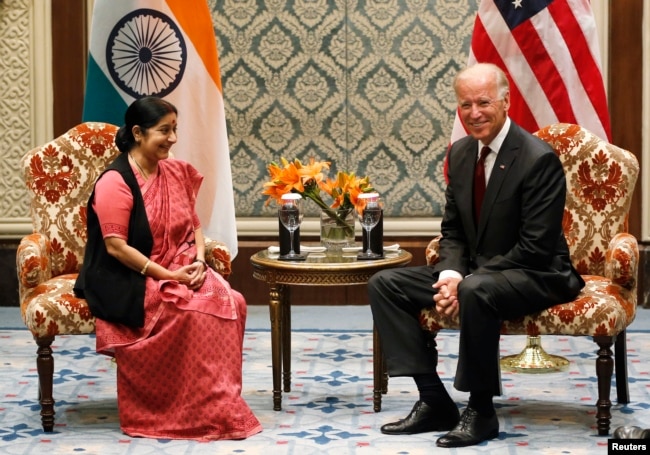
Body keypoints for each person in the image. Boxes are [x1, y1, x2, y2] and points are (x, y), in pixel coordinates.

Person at [368, 63, 584, 448]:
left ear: (505, 101)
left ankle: (481, 411)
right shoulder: (461, 154)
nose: (474, 113)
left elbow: (535, 247)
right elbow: (453, 231)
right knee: (386, 283)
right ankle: (434, 400)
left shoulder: (537, 159)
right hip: (478, 276)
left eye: (483, 102)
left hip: (538, 272)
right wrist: (450, 274)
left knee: (477, 290)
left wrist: (464, 283)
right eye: (465, 104)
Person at [74, 96, 262, 441]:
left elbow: (194, 225)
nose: (173, 138)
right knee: (195, 311)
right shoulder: (115, 182)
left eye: (175, 129)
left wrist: (200, 261)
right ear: (138, 133)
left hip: (181, 263)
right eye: (164, 130)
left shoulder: (173, 170)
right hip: (128, 276)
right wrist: (170, 276)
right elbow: (116, 248)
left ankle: (215, 405)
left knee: (231, 302)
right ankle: (170, 409)